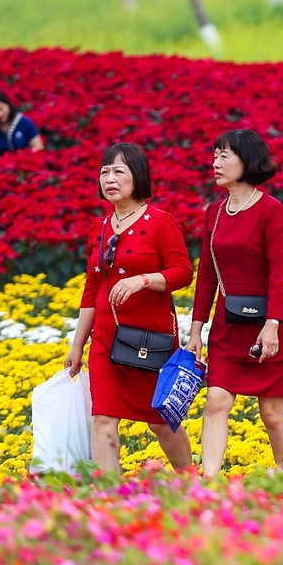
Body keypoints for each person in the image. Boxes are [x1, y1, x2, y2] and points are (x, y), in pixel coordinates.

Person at [63, 143, 194, 474]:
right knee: (103, 418)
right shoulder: (100, 226)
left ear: (138, 177)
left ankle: (191, 482)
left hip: (152, 340)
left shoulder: (161, 222)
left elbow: (183, 273)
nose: (110, 178)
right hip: (106, 339)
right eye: (104, 171)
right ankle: (110, 497)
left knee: (162, 421)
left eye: (118, 171)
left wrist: (144, 280)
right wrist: (78, 346)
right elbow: (92, 289)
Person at [188, 130, 283, 477]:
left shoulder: (271, 209)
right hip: (228, 324)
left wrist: (272, 326)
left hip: (269, 323)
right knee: (216, 402)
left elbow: (277, 274)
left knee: (271, 412)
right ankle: (209, 483)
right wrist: (196, 329)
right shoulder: (215, 212)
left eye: (225, 155)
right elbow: (207, 274)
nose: (216, 162)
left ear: (247, 160)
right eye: (215, 155)